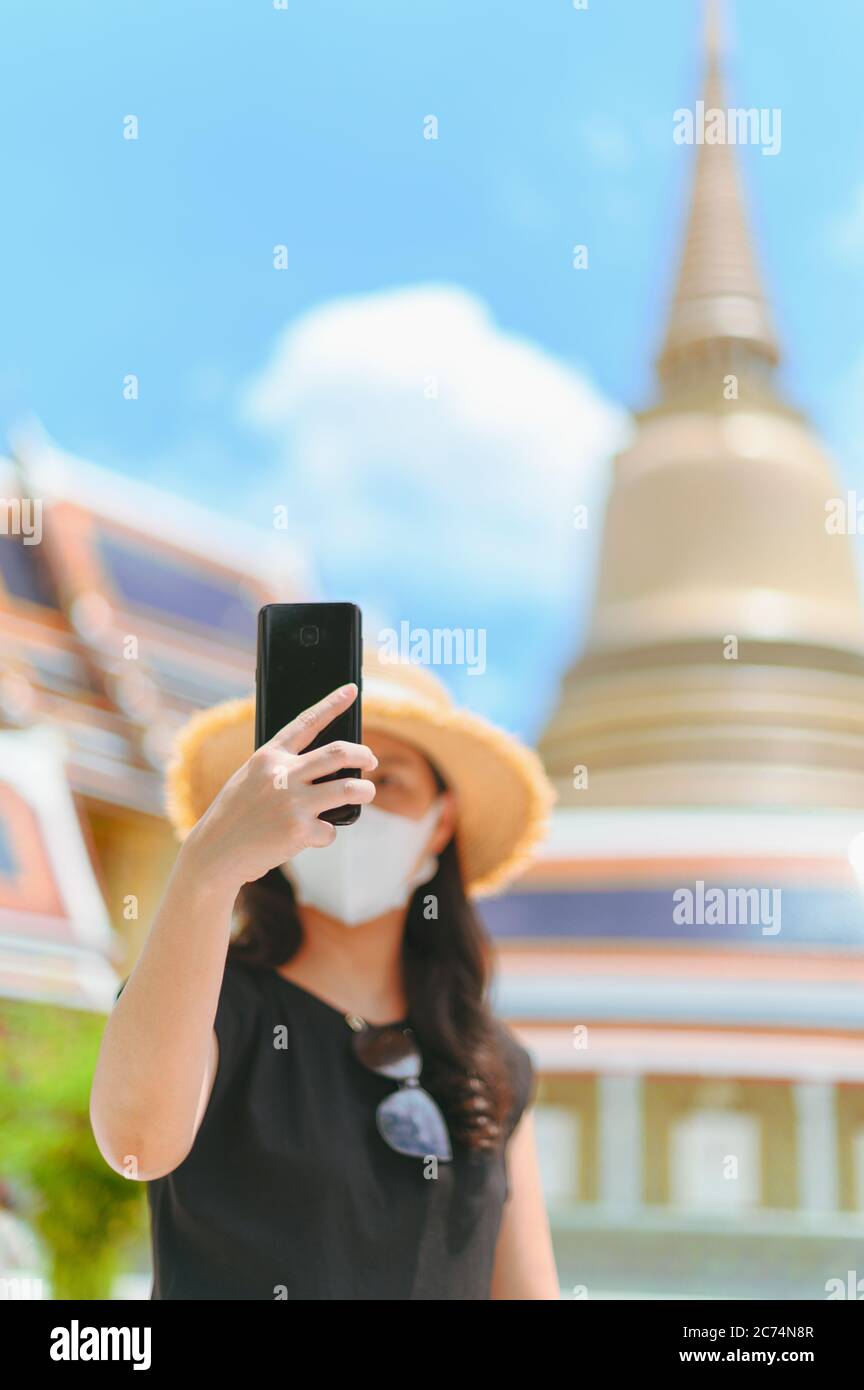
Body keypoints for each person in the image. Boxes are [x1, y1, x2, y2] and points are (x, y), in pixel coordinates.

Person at [90, 653, 560, 1300]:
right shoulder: (210, 1007)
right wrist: (208, 867)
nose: (352, 806)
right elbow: (136, 1142)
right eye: (328, 779)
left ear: (440, 823)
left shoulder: (493, 1059)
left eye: (384, 781)